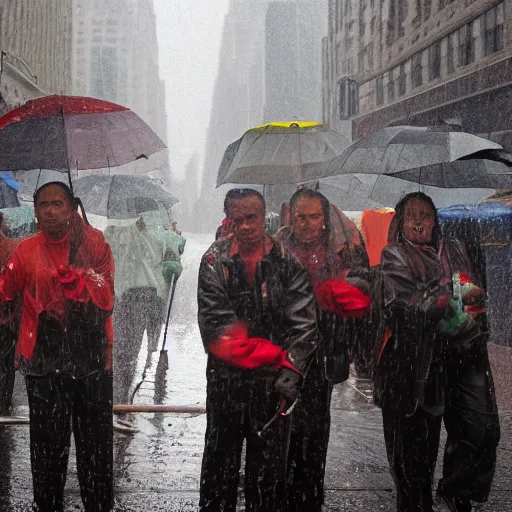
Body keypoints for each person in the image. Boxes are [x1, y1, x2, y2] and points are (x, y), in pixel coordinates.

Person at [374, 192, 500, 512]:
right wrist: (442, 296)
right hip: (416, 358)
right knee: (416, 449)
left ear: (435, 221)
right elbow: (405, 303)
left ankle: (455, 488)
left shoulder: (455, 248)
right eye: (412, 215)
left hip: (462, 353)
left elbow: (472, 295)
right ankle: (417, 504)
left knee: (481, 428)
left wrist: (472, 305)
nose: (419, 221)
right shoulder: (395, 254)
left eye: (426, 215)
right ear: (401, 222)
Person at [197, 188, 318, 511]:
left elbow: (304, 323)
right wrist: (268, 353)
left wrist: (292, 368)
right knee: (219, 470)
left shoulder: (286, 262)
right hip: (226, 383)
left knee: (268, 476)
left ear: (264, 218)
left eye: (252, 218)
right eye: (238, 219)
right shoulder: (213, 261)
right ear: (229, 220)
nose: (246, 226)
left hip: (272, 385)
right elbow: (216, 327)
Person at [0, 182, 115, 511]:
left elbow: (107, 297)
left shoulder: (93, 243)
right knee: (47, 453)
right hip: (43, 362)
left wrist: (82, 279)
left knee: (96, 454)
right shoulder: (26, 250)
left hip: (91, 360)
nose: (51, 211)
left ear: (70, 208)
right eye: (44, 205)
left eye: (58, 204)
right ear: (35, 212)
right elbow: (5, 291)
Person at [275, 188, 371, 511]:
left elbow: (361, 292)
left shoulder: (339, 251)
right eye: (301, 216)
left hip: (322, 353)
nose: (306, 223)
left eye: (314, 216)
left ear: (325, 219)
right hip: (284, 355)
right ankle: (284, 493)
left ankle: (310, 495)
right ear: (291, 215)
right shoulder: (278, 247)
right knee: (283, 429)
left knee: (314, 430)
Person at [104, 213, 183, 405]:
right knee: (126, 348)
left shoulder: (158, 234)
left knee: (134, 346)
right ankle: (122, 395)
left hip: (148, 294)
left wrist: (174, 251)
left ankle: (127, 393)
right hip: (128, 294)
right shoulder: (116, 232)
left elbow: (175, 251)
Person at [0, 212, 20, 415]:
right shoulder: (13, 248)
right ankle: (4, 405)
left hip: (5, 319)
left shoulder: (11, 249)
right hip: (7, 320)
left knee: (4, 367)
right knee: (5, 369)